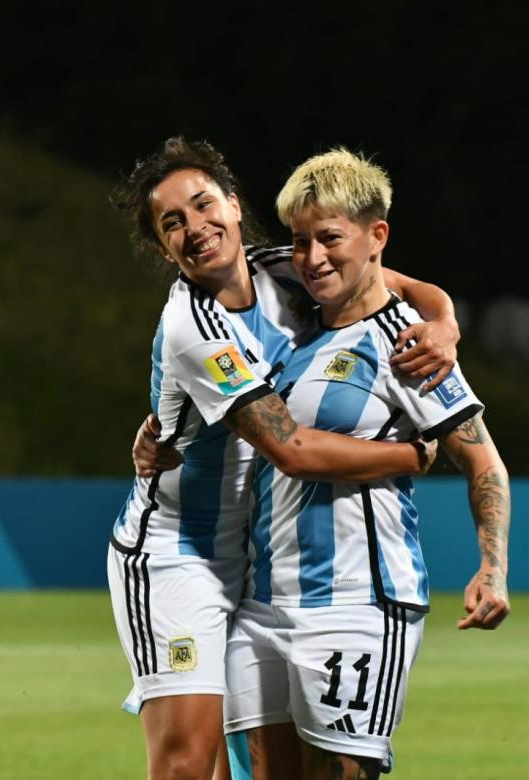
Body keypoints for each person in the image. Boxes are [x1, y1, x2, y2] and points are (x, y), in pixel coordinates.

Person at [107, 137, 463, 780]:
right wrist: (411, 455)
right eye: (172, 224)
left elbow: (396, 282)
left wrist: (444, 321)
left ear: (236, 206)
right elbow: (290, 448)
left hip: (257, 553)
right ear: (163, 249)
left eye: (203, 204)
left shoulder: (281, 265)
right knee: (188, 762)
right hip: (177, 553)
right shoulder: (195, 326)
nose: (195, 228)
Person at [221, 149, 511, 780]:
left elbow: (481, 458)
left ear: (377, 235)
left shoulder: (409, 343)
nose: (312, 258)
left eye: (329, 239)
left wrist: (493, 566)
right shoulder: (294, 327)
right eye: (300, 242)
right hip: (263, 600)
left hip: (357, 603)